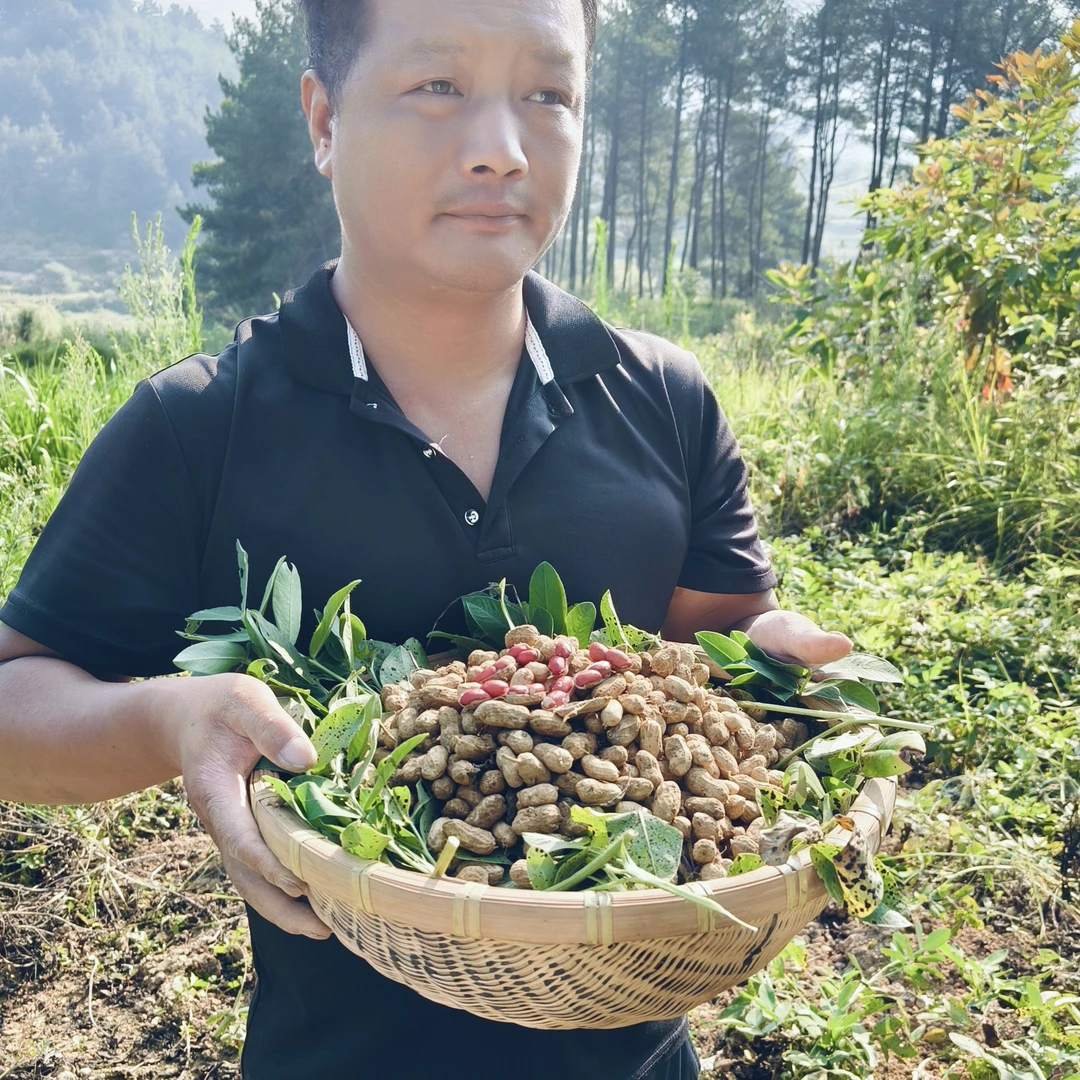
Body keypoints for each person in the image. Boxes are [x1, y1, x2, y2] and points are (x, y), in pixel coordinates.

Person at [0, 1, 854, 1076]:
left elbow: (710, 656)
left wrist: (776, 670)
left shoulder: (663, 400)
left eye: (548, 93)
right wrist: (174, 720)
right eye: (438, 86)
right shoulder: (199, 427)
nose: (502, 149)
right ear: (324, 120)